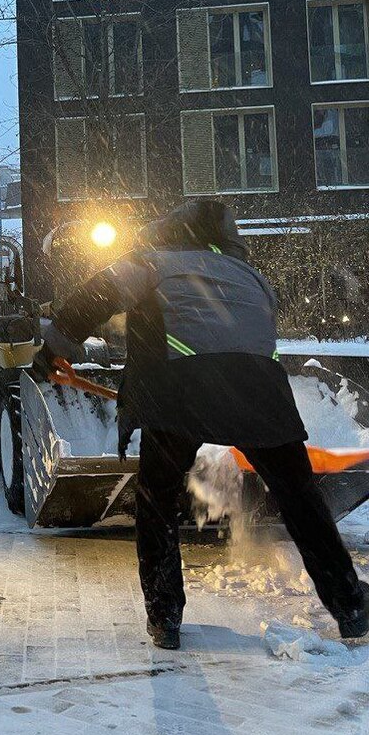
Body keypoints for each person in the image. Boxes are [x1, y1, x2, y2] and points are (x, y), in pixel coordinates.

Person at [40, 199, 369, 651]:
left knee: (157, 497)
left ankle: (165, 615)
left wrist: (52, 348)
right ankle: (351, 605)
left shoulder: (151, 262)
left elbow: (95, 297)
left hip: (181, 391)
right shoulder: (253, 277)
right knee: (301, 501)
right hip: (262, 395)